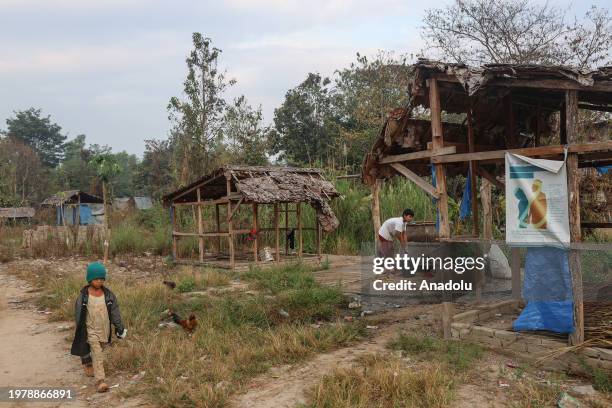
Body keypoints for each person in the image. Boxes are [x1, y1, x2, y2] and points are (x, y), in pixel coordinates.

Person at [70, 262, 127, 393]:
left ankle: (87, 361)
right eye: (96, 279)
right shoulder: (83, 296)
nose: (99, 281)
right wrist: (79, 330)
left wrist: (119, 327)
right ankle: (100, 381)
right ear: (90, 279)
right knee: (97, 352)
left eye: (102, 279)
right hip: (90, 329)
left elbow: (115, 313)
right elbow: (78, 314)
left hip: (104, 329)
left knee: (99, 350)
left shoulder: (109, 295)